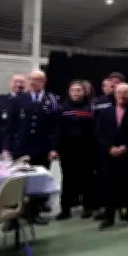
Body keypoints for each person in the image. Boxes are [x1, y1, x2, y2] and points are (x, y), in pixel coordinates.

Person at [3, 70, 59, 225]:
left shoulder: (52, 100)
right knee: (16, 181)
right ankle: (12, 218)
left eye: (37, 79)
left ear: (44, 81)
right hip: (21, 147)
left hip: (42, 147)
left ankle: (33, 213)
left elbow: (56, 127)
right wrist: (6, 146)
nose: (33, 82)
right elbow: (11, 125)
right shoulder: (19, 99)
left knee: (38, 181)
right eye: (31, 79)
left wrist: (54, 148)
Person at [94, 83, 128, 230]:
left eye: (125, 93)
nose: (122, 96)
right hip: (109, 156)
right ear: (115, 94)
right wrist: (110, 147)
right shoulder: (105, 112)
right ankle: (109, 217)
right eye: (119, 93)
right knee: (109, 186)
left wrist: (126, 147)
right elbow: (99, 134)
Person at [51, 81, 94, 220]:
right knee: (68, 180)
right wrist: (55, 148)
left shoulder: (90, 108)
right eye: (73, 90)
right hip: (67, 150)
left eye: (79, 90)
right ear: (69, 92)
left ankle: (88, 207)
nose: (76, 93)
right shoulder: (62, 109)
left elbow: (94, 129)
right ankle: (65, 210)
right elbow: (57, 130)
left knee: (86, 179)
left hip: (86, 150)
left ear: (84, 92)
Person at [0, 74, 25, 155]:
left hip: (24, 145)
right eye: (15, 82)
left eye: (21, 82)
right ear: (10, 83)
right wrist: (4, 141)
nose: (18, 85)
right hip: (2, 145)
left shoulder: (30, 101)